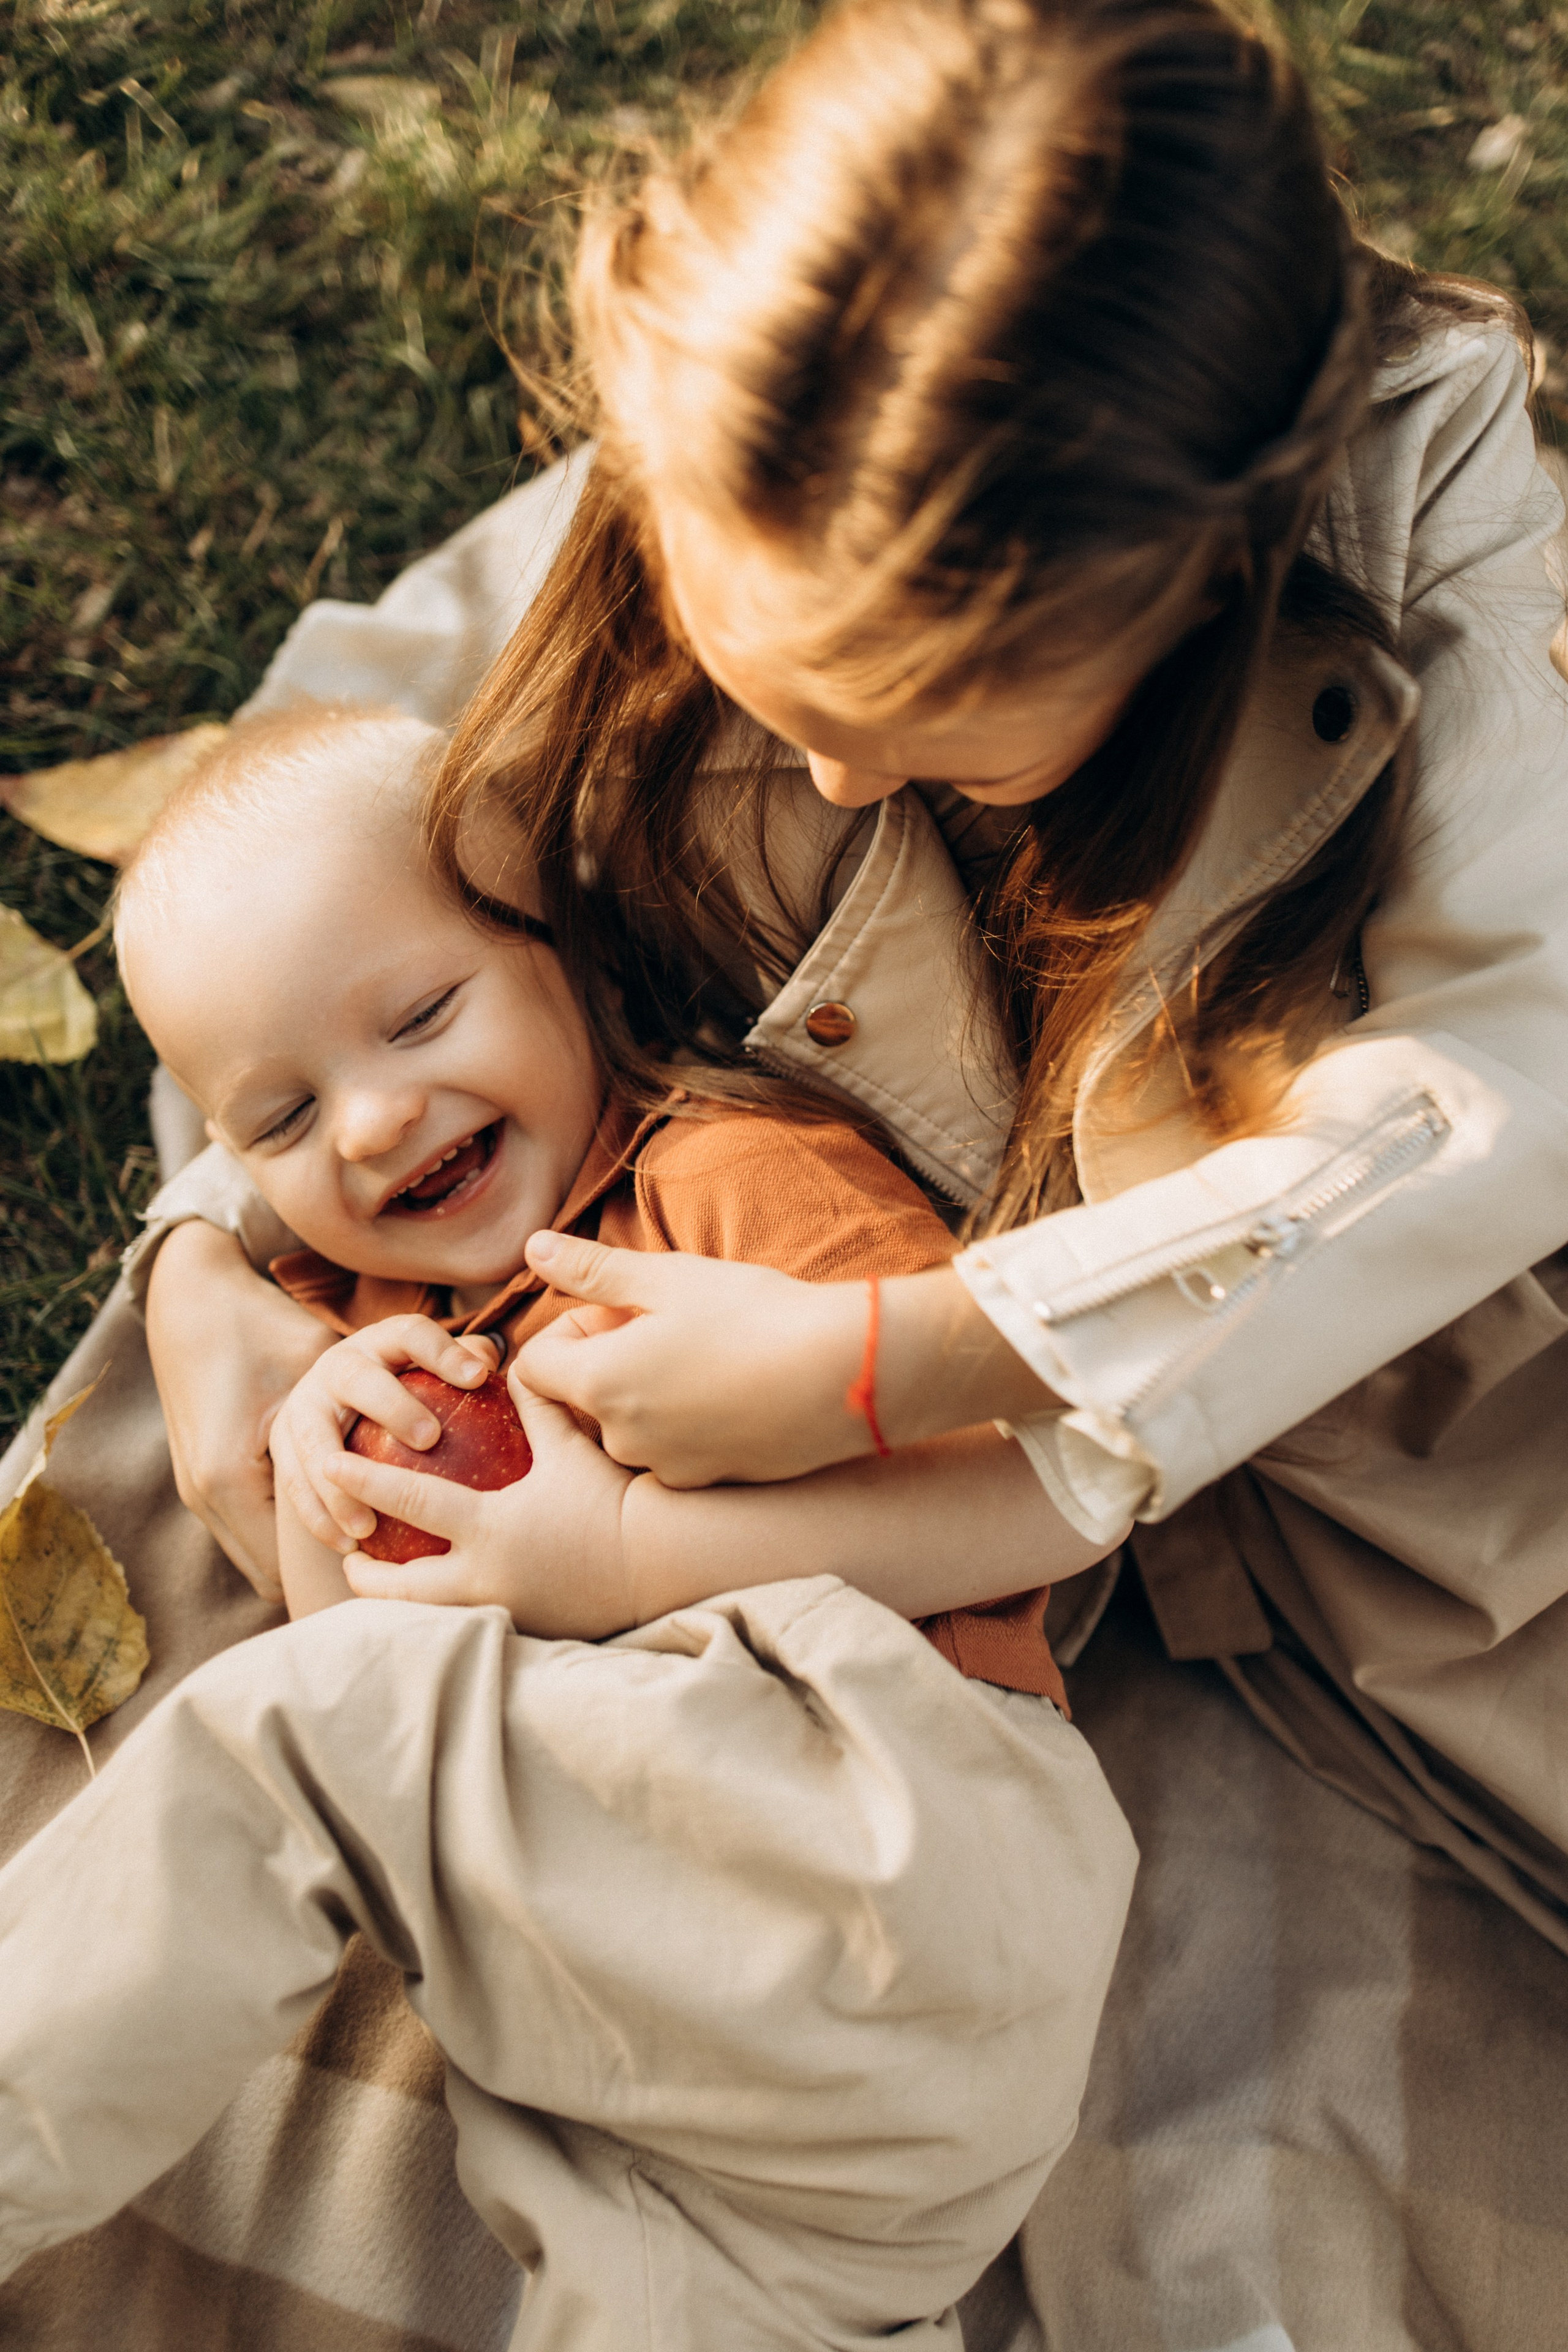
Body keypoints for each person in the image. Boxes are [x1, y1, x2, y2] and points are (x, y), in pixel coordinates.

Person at [0, 702, 1136, 2343]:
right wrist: (315, 1465)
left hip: (894, 1843)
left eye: (420, 1016)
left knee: (275, 1743)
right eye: (282, 1121)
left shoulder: (726, 1183)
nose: (374, 1121)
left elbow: (1052, 1493)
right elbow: (397, 1693)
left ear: (578, 959)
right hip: (738, 2126)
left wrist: (617, 1557)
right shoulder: (362, 1329)